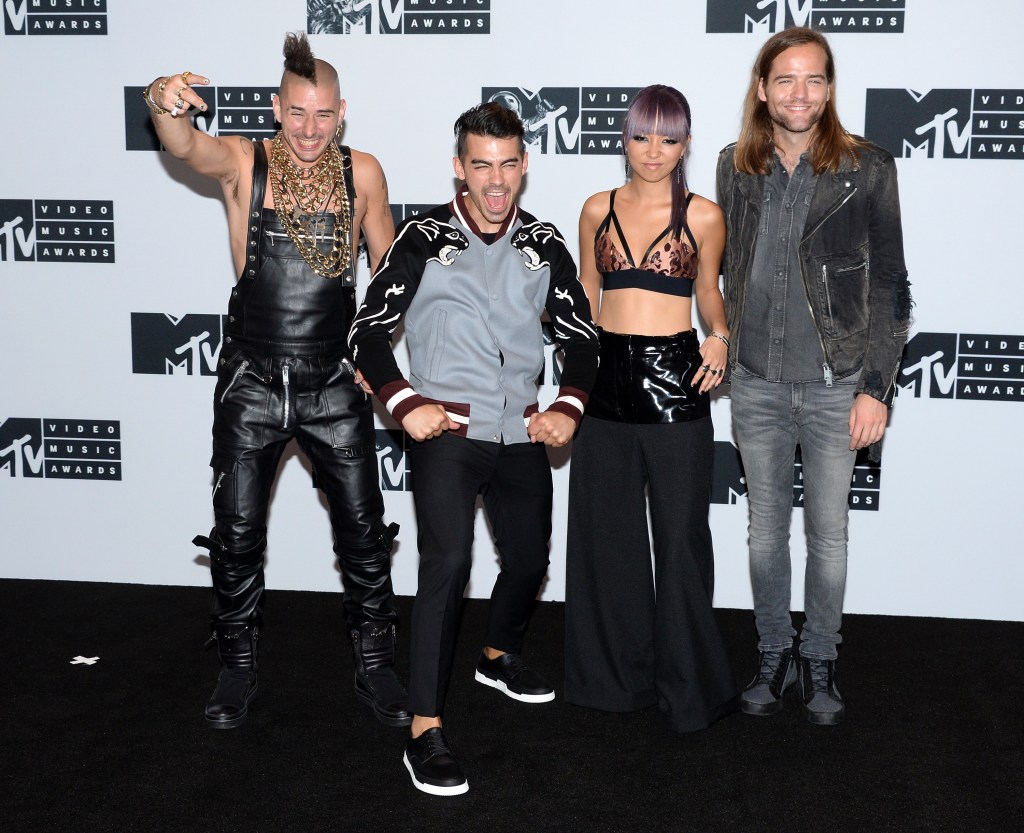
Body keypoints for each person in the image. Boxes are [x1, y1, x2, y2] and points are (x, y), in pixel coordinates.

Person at [143, 33, 410, 730]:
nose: (310, 129)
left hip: (334, 382)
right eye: (297, 112)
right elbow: (184, 145)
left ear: (342, 112)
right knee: (235, 534)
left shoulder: (364, 172)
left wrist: (378, 359)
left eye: (323, 114)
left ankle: (377, 661)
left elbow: (389, 276)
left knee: (363, 531)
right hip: (251, 381)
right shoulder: (243, 160)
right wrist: (164, 103)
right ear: (275, 107)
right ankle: (236, 663)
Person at [349, 102, 599, 796]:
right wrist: (405, 402)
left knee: (529, 559)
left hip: (521, 430)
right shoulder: (423, 237)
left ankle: (496, 653)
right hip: (447, 433)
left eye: (507, 164)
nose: (495, 181)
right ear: (459, 167)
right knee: (448, 564)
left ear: (524, 165)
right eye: (481, 165)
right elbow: (367, 331)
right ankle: (423, 727)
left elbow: (582, 337)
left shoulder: (544, 242)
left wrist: (569, 405)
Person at [717, 27, 912, 725]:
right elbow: (724, 270)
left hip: (837, 384)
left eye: (813, 79)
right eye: (785, 79)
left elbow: (890, 284)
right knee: (765, 533)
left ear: (828, 90)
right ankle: (774, 653)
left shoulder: (868, 167)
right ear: (762, 89)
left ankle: (820, 656)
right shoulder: (734, 166)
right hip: (756, 382)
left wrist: (876, 388)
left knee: (828, 535)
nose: (799, 93)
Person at [563, 85, 740, 733]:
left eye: (668, 138)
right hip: (604, 382)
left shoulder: (705, 216)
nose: (654, 150)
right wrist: (570, 366)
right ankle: (612, 683)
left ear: (685, 144)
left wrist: (720, 335)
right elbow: (586, 291)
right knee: (607, 538)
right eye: (642, 136)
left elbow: (709, 291)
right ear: (625, 140)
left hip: (675, 380)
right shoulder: (596, 208)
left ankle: (690, 690)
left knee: (681, 540)